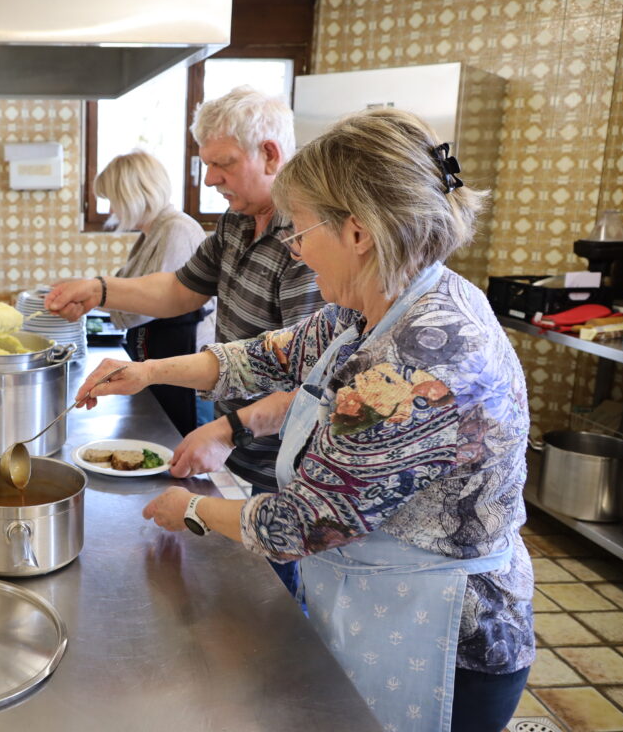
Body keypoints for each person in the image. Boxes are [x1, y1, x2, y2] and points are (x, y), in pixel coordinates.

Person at [74, 108, 535, 732]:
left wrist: (190, 508)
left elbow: (304, 521)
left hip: (448, 642)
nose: (294, 248)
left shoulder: (421, 357)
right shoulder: (386, 298)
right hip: (383, 602)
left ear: (358, 232)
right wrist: (151, 373)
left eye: (301, 231)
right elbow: (274, 353)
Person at [47, 86, 324, 597]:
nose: (210, 178)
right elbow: (178, 287)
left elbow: (312, 383)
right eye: (206, 164)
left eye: (222, 163)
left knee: (274, 606)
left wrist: (223, 430)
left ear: (270, 154)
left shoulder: (305, 242)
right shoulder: (239, 222)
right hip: (239, 446)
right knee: (232, 592)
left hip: (283, 466)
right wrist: (100, 289)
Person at [93, 150, 215, 436]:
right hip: (167, 355)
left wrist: (94, 294)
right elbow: (132, 289)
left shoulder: (177, 230)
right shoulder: (155, 230)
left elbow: (146, 305)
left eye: (113, 199)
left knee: (184, 451)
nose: (112, 209)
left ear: (133, 195)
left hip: (187, 363)